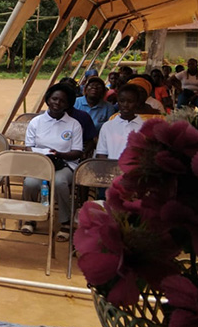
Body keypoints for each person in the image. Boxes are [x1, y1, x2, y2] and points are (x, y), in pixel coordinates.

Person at [21, 83, 83, 242]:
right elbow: (29, 147)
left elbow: (77, 151)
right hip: (40, 164)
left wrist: (59, 154)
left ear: (68, 104)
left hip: (64, 164)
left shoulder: (74, 124)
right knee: (30, 183)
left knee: (60, 182)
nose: (57, 103)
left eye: (62, 101)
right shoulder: (36, 122)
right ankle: (30, 218)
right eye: (54, 99)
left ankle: (65, 222)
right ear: (48, 99)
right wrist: (43, 155)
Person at [95, 84, 145, 161]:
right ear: (118, 101)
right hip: (111, 170)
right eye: (122, 101)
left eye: (130, 101)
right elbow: (101, 153)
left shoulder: (144, 127)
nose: (125, 105)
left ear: (137, 103)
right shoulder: (108, 126)